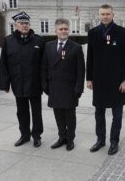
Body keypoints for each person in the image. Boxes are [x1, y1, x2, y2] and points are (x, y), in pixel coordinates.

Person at [86, 4, 125, 155]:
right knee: (99, 113)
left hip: (118, 82)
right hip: (99, 81)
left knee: (117, 114)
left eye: (108, 14)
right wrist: (89, 78)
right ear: (99, 15)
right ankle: (100, 140)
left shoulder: (122, 32)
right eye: (103, 14)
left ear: (113, 14)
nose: (105, 16)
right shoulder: (93, 33)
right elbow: (90, 57)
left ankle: (114, 141)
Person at [0, 11, 44, 148]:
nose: (24, 25)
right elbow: (4, 64)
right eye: (21, 23)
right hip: (18, 84)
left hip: (35, 84)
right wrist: (5, 84)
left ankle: (36, 136)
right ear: (16, 25)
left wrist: (45, 83)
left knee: (36, 112)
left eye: (26, 23)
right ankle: (24, 135)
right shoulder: (8, 41)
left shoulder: (38, 40)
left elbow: (44, 64)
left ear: (29, 25)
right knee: (22, 112)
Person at [42, 18, 85, 151]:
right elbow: (44, 67)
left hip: (70, 88)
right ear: (56, 31)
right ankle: (62, 137)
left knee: (70, 116)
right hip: (54, 87)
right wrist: (45, 85)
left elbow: (81, 70)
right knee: (58, 115)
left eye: (66, 28)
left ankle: (70, 139)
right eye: (61, 29)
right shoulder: (48, 46)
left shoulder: (76, 47)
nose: (64, 31)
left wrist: (79, 88)